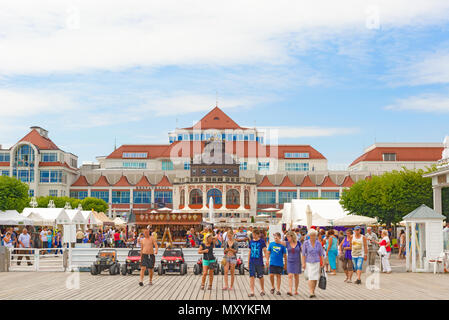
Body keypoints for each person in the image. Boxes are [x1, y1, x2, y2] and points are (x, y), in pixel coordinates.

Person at [301, 229, 324, 298]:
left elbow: (321, 254)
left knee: (315, 278)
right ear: (309, 236)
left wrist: (322, 263)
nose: (313, 237)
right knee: (311, 277)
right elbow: (303, 254)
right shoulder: (306, 243)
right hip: (309, 262)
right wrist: (303, 263)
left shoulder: (318, 243)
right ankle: (311, 292)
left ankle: (313, 291)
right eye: (312, 235)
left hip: (317, 262)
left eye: (314, 235)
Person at [248, 229, 267, 297]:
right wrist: (248, 261)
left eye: (254, 235)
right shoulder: (251, 241)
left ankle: (262, 290)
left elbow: (265, 250)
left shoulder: (261, 241)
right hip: (252, 261)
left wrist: (267, 260)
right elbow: (249, 252)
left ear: (258, 234)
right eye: (253, 234)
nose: (253, 236)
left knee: (260, 276)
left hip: (259, 261)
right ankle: (252, 291)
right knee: (251, 276)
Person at [283, 231, 301, 296]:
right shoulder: (287, 243)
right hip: (290, 261)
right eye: (287, 237)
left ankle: (296, 290)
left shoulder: (298, 243)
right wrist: (276, 238)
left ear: (292, 237)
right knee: (290, 275)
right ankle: (290, 290)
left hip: (297, 261)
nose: (287, 238)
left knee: (296, 276)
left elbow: (303, 251)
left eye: (288, 237)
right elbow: (279, 242)